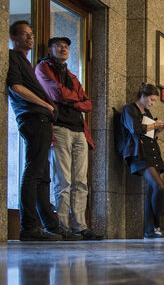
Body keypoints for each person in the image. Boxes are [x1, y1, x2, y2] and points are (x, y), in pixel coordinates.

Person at [7, 21, 78, 240]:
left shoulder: (27, 62)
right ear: (13, 37)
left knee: (43, 176)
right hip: (32, 118)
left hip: (42, 121)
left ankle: (51, 225)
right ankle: (29, 227)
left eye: (32, 34)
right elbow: (15, 87)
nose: (30, 37)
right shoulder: (12, 57)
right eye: (25, 34)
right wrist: (47, 105)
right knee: (33, 173)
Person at [35, 36, 101, 240]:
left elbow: (88, 104)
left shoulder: (72, 76)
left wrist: (72, 102)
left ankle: (80, 226)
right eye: (59, 46)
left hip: (80, 131)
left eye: (66, 47)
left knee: (80, 181)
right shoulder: (43, 68)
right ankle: (62, 226)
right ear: (50, 49)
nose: (63, 49)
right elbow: (55, 93)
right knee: (63, 181)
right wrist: (76, 101)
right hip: (60, 128)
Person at [121, 83, 164, 239]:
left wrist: (157, 131)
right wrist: (154, 125)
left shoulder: (147, 112)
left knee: (151, 191)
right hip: (138, 153)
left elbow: (149, 135)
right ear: (142, 96)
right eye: (151, 99)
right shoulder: (129, 109)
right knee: (158, 186)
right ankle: (156, 224)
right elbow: (135, 129)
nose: (152, 103)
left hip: (150, 151)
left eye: (154, 100)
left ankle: (150, 231)